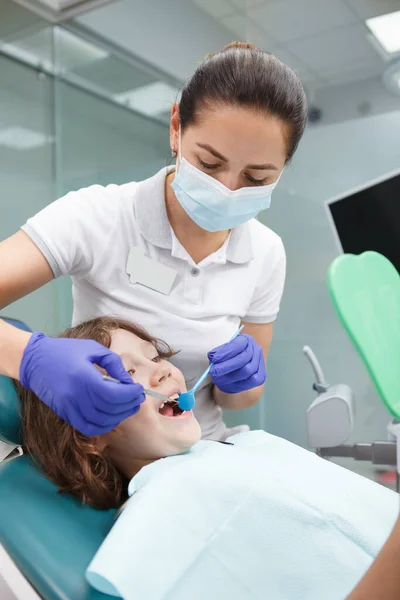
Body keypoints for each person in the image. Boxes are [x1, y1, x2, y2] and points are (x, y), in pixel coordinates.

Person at [0, 41, 307, 441]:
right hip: (112, 449)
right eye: (209, 163)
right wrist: (30, 357)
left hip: (206, 447)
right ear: (176, 128)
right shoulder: (99, 216)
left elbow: (243, 399)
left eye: (257, 178)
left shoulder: (266, 253)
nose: (228, 189)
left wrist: (241, 383)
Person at [17, 316, 398, 600]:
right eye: (128, 370)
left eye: (157, 357)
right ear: (90, 435)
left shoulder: (242, 448)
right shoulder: (164, 508)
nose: (163, 370)